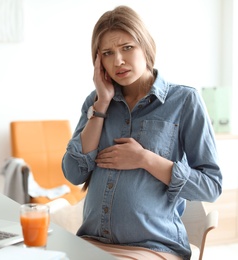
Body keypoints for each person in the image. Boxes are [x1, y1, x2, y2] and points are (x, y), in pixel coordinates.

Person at [62, 5, 222, 260]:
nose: (118, 61)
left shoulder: (184, 101)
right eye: (107, 53)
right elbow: (74, 173)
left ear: (145, 46)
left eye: (127, 47)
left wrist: (144, 159)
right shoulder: (94, 102)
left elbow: (211, 186)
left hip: (153, 248)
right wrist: (101, 106)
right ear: (98, 61)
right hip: (91, 244)